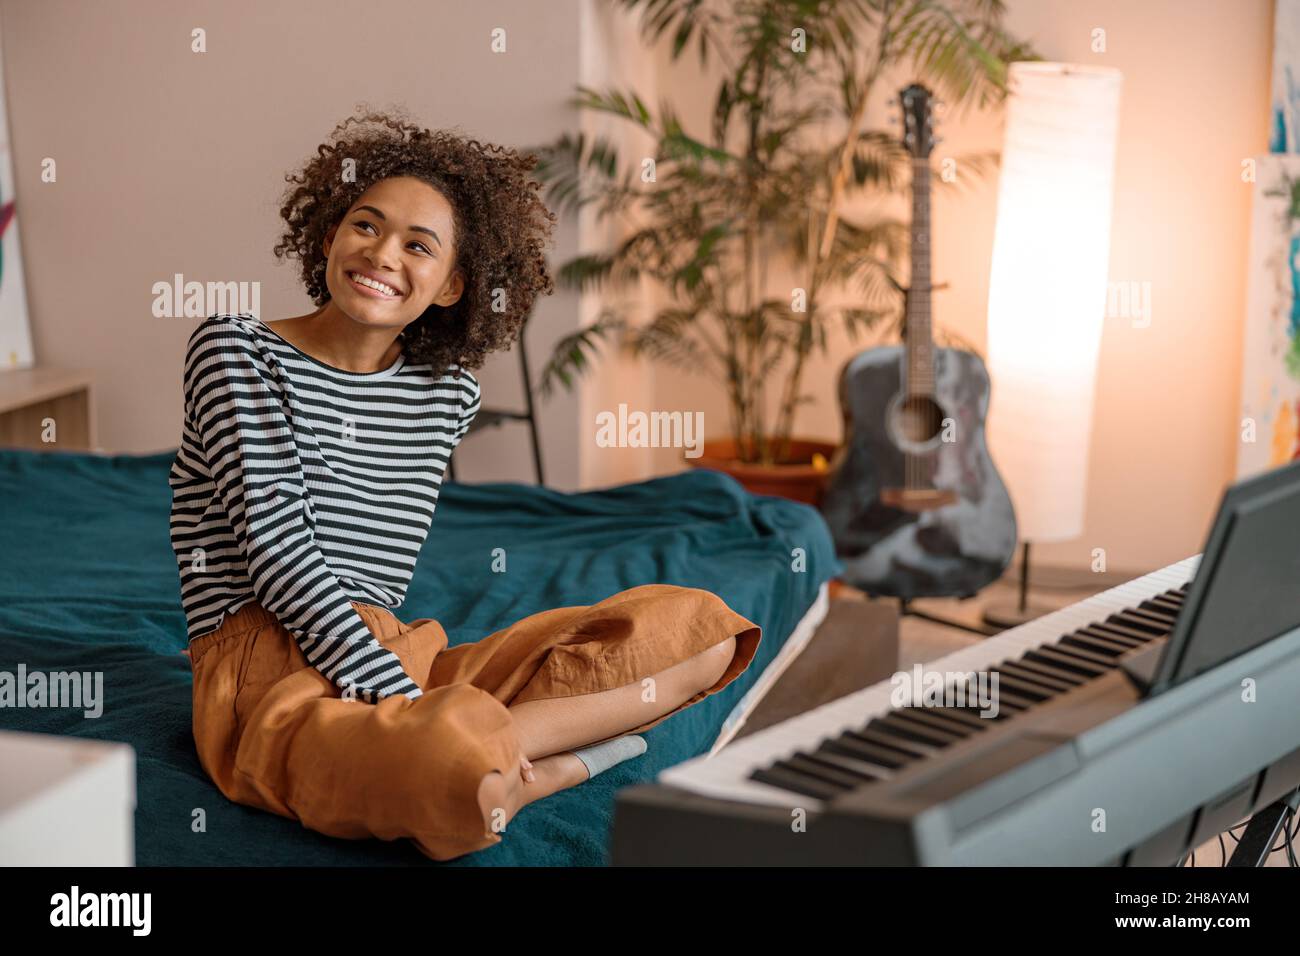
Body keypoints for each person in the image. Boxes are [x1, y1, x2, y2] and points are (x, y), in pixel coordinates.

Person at [168, 108, 761, 861]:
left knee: (704, 635)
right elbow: (278, 548)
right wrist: (404, 702)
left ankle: (483, 754)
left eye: (419, 245)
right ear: (328, 237)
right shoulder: (234, 348)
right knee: (445, 768)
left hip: (398, 652)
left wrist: (411, 693)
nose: (383, 254)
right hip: (264, 671)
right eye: (365, 226)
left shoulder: (449, 394)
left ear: (451, 286)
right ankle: (529, 768)